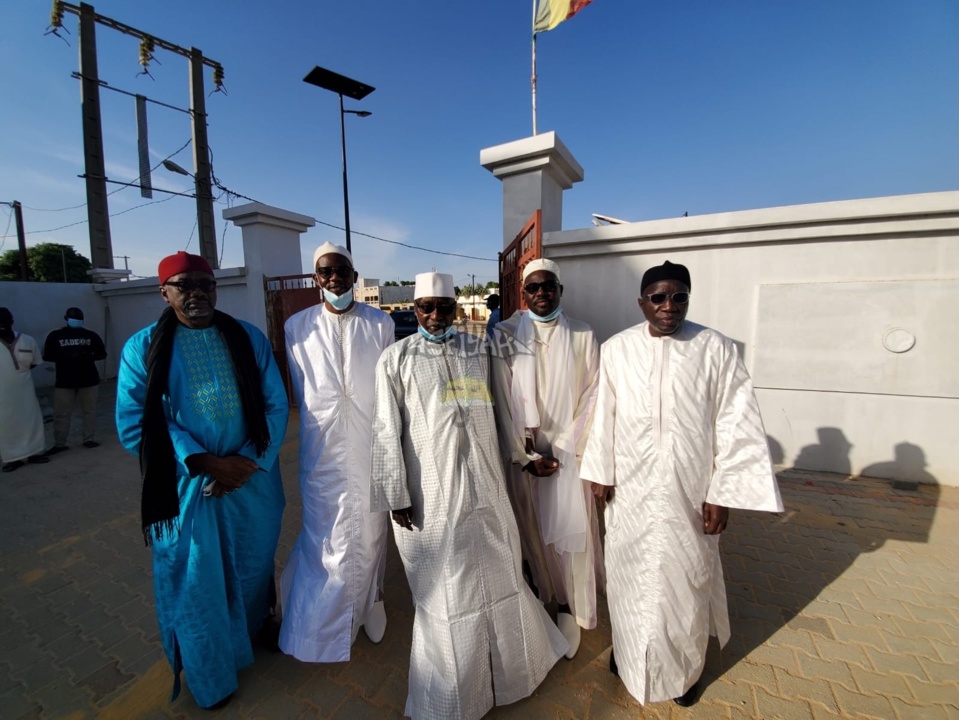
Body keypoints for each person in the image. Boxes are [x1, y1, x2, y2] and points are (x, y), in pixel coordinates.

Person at [581, 260, 784, 707]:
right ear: (641, 303)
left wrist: (723, 492)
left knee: (686, 579)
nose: (668, 306)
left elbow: (737, 422)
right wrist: (601, 472)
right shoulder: (617, 349)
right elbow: (603, 416)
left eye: (679, 297)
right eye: (658, 297)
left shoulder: (715, 348)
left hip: (690, 490)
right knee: (627, 574)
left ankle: (684, 672)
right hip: (630, 491)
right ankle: (631, 654)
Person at [371, 271, 568, 720]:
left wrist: (521, 456)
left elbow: (502, 408)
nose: (436, 316)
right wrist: (395, 493)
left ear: (457, 308)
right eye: (427, 307)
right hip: (432, 495)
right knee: (446, 593)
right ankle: (453, 698)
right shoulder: (395, 359)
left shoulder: (479, 349)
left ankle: (514, 676)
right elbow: (386, 431)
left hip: (485, 485)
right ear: (414, 309)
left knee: (500, 574)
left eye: (445, 307)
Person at [115, 251, 288, 710]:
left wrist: (246, 463)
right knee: (196, 584)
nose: (197, 294)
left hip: (252, 485)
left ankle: (249, 635)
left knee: (251, 570)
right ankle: (211, 678)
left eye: (205, 285)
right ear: (164, 292)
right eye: (184, 285)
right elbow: (136, 423)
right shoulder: (143, 348)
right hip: (187, 491)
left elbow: (275, 405)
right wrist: (207, 462)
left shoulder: (247, 337)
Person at [279, 242, 394, 662]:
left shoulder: (379, 323)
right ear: (316, 279)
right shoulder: (297, 327)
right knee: (323, 533)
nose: (334, 279)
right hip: (322, 448)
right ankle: (322, 617)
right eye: (325, 272)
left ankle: (372, 599)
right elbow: (302, 389)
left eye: (341, 271)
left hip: (369, 442)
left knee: (372, 527)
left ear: (354, 275)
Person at [490, 258, 602, 659]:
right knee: (532, 528)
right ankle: (545, 595)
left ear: (560, 290)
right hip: (527, 455)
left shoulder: (583, 335)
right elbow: (501, 401)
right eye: (533, 288)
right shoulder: (504, 335)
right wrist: (525, 455)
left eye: (549, 286)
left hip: (570, 454)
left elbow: (593, 395)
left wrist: (569, 445)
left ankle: (572, 606)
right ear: (523, 294)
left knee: (573, 533)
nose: (542, 293)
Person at [42, 307, 107, 454]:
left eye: (78, 318)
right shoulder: (55, 335)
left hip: (89, 379)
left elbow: (102, 354)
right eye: (73, 318)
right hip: (65, 381)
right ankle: (59, 443)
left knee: (89, 411)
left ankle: (89, 439)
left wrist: (86, 355)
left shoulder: (91, 336)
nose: (76, 320)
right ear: (66, 318)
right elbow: (47, 355)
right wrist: (66, 355)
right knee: (61, 413)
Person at [0, 308, 50, 472]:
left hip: (25, 392)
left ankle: (35, 453)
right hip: (3, 396)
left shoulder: (27, 340)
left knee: (31, 421)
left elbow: (34, 362)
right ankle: (12, 458)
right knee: (6, 425)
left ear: (11, 322)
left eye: (4, 323)